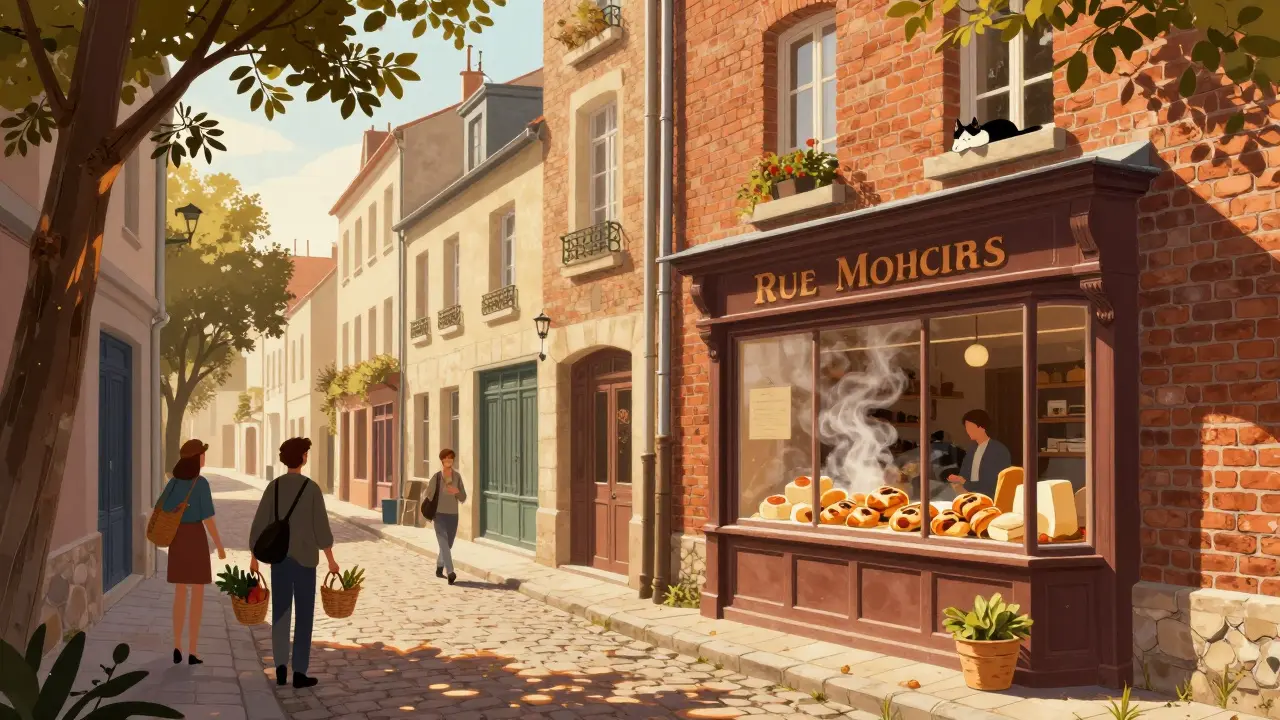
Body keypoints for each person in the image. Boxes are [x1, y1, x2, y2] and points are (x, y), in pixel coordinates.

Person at [249, 438, 338, 689]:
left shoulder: (273, 487)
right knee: (305, 615)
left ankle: (279, 667)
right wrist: (331, 560)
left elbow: (259, 525)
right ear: (303, 458)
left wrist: (254, 558)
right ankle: (299, 671)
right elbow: (322, 529)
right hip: (306, 561)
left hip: (279, 560)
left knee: (280, 612)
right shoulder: (311, 489)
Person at [160, 439, 227, 666]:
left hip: (177, 539)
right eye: (203, 454)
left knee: (180, 592)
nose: (204, 458)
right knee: (197, 595)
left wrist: (177, 508)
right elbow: (208, 518)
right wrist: (218, 545)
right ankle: (192, 650)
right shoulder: (201, 484)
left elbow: (162, 507)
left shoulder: (173, 483)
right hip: (196, 538)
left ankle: (177, 645)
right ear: (197, 458)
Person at [947, 409, 1012, 498]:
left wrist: (964, 482)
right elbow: (964, 473)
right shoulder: (972, 449)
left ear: (982, 427)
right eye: (966, 428)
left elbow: (992, 483)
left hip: (988, 496)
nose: (967, 431)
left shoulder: (998, 450)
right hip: (969, 492)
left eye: (970, 427)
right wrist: (957, 479)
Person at [426, 448, 467, 585]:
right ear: (442, 460)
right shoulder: (437, 477)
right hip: (439, 515)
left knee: (448, 544)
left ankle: (439, 566)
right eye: (446, 458)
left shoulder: (457, 477)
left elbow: (463, 497)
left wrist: (456, 492)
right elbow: (428, 494)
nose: (449, 460)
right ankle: (450, 572)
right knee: (443, 542)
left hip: (453, 515)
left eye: (451, 458)